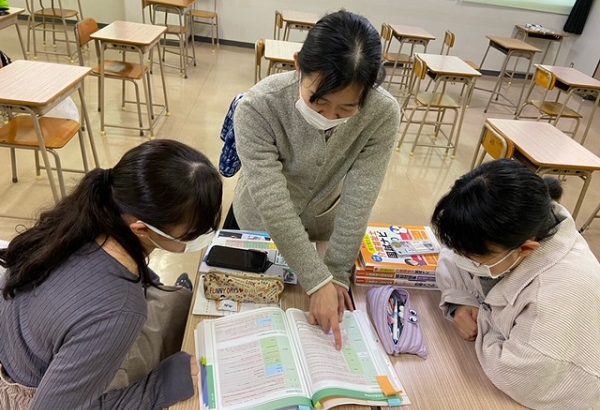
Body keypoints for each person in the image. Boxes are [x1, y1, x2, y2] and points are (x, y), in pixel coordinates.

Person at [0, 140, 222, 409]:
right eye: (191, 234)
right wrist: (161, 385)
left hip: (20, 352)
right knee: (180, 317)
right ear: (141, 229)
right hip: (32, 393)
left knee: (176, 301)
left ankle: (170, 294)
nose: (199, 239)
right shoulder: (121, 310)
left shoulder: (79, 222)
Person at [230, 10, 400, 349]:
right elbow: (272, 202)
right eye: (318, 103)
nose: (329, 117)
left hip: (322, 224)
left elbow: (360, 196)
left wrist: (335, 273)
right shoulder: (259, 107)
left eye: (346, 109)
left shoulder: (382, 113)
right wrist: (317, 279)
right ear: (298, 65)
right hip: (258, 222)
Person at [431, 159, 600, 409]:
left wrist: (482, 323)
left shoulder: (558, 292)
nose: (462, 259)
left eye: (474, 259)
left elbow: (521, 376)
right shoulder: (508, 232)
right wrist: (460, 301)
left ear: (526, 249)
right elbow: (455, 253)